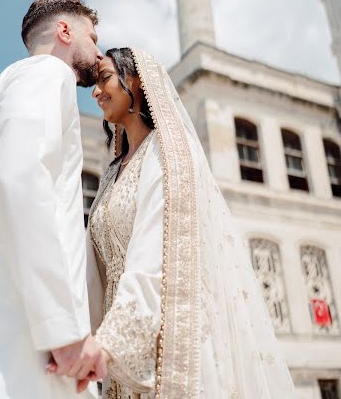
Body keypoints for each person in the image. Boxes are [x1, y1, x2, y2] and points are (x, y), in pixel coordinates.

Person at [86, 47, 296, 399]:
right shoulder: (110, 175)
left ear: (136, 82)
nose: (95, 91)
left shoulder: (166, 154)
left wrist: (111, 343)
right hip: (115, 356)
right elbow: (97, 269)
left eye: (105, 78)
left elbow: (154, 257)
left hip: (163, 343)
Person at [0, 0, 107, 398]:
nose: (99, 53)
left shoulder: (4, 92)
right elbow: (21, 179)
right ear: (65, 31)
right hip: (17, 355)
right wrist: (64, 330)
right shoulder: (46, 75)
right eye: (93, 37)